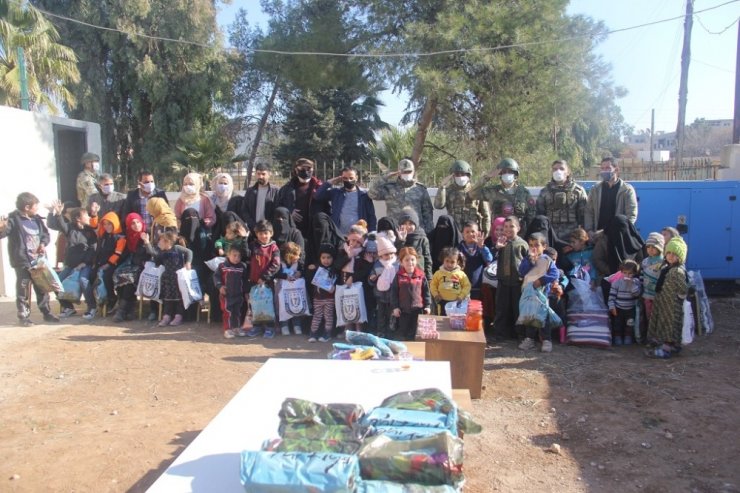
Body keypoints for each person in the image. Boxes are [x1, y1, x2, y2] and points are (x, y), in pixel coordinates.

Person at [0, 192, 59, 326]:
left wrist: (43, 244)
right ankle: (23, 316)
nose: (37, 209)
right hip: (23, 261)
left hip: (38, 261)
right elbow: (3, 233)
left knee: (42, 287)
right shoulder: (12, 220)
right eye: (35, 207)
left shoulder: (37, 219)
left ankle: (46, 312)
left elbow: (45, 234)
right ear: (27, 207)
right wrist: (1, 228)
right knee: (23, 288)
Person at [47, 201, 98, 320]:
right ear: (78, 219)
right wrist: (58, 214)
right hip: (70, 265)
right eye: (86, 216)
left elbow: (93, 249)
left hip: (86, 264)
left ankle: (91, 307)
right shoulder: (70, 228)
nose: (88, 217)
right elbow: (61, 225)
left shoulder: (90, 231)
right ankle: (68, 307)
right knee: (56, 283)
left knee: (83, 280)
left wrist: (84, 262)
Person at [276, 158, 327, 263]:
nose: (306, 171)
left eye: (309, 168)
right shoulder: (286, 188)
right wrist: (290, 213)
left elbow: (327, 208)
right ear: (296, 170)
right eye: (302, 168)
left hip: (313, 229)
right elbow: (279, 207)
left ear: (313, 170)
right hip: (293, 230)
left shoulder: (319, 187)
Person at [646, 237, 689, 359]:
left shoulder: (677, 271)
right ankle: (672, 345)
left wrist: (677, 297)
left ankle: (667, 349)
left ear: (680, 257)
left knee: (670, 326)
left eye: (674, 254)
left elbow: (683, 288)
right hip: (664, 303)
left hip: (672, 305)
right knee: (664, 324)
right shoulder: (666, 268)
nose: (670, 256)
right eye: (668, 253)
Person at [517, 232, 560, 352]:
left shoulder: (547, 260)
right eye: (531, 245)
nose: (533, 248)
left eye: (536, 245)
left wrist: (541, 281)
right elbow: (522, 271)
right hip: (529, 296)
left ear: (544, 246)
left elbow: (554, 274)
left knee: (543, 318)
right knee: (530, 318)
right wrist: (530, 261)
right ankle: (529, 339)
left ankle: (546, 340)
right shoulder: (528, 259)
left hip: (542, 296)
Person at [469, 158, 534, 236]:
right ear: (500, 174)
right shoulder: (493, 191)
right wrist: (487, 177)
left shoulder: (524, 193)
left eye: (510, 172)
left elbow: (531, 214)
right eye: (504, 172)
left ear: (515, 174)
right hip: (498, 235)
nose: (507, 174)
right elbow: (472, 193)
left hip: (519, 236)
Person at [368, 158, 433, 233]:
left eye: (409, 171)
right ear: (399, 172)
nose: (407, 174)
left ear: (413, 171)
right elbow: (372, 194)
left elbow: (427, 214)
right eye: (404, 171)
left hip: (415, 232)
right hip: (395, 231)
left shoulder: (420, 189)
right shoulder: (390, 187)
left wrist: (429, 234)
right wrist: (385, 177)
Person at [492, 216, 528, 340]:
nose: (508, 229)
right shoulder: (501, 242)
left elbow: (527, 260)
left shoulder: (522, 244)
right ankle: (500, 333)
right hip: (503, 281)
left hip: (518, 282)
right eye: (505, 227)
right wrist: (497, 247)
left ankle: (519, 333)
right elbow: (491, 257)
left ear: (518, 228)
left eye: (511, 226)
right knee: (502, 309)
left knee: (517, 308)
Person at [333, 221, 372, 335]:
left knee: (357, 306)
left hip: (357, 284)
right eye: (352, 240)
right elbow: (337, 266)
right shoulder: (342, 250)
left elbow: (364, 270)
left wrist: (354, 277)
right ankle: (347, 330)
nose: (354, 243)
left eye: (358, 241)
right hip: (343, 282)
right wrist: (348, 256)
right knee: (346, 307)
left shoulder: (363, 253)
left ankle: (359, 330)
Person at [147, 231, 193, 327]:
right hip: (167, 279)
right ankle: (166, 316)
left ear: (167, 242)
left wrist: (188, 262)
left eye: (161, 241)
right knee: (167, 299)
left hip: (178, 278)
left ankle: (178, 316)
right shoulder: (162, 252)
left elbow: (189, 252)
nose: (159, 243)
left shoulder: (176, 248)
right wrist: (147, 242)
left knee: (179, 298)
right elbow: (154, 254)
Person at [434, 160, 491, 237]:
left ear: (468, 175)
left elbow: (486, 214)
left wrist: (485, 233)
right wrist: (442, 187)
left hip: (473, 233)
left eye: (463, 174)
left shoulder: (476, 190)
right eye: (457, 174)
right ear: (453, 176)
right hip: (454, 232)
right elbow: (438, 206)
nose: (460, 177)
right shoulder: (448, 191)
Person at [245, 220, 281, 339]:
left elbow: (276, 265)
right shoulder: (253, 245)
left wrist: (264, 277)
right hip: (254, 281)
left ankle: (270, 327)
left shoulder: (274, 248)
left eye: (266, 233)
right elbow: (246, 256)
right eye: (260, 233)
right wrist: (245, 238)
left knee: (267, 304)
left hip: (267, 282)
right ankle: (256, 326)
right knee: (254, 304)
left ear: (271, 233)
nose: (263, 236)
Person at [112, 213, 151, 322]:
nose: (136, 225)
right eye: (133, 223)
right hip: (130, 264)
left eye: (138, 222)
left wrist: (146, 242)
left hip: (143, 265)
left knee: (129, 280)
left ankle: (122, 310)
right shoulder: (127, 236)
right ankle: (129, 308)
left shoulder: (147, 234)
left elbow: (151, 253)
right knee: (117, 274)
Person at [315, 166, 377, 234]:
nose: (348, 181)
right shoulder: (336, 193)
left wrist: (372, 233)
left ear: (356, 178)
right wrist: (329, 182)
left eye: (351, 178)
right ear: (341, 178)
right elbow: (318, 196)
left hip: (359, 236)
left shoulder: (364, 195)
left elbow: (371, 216)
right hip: (339, 235)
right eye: (345, 178)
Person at [584, 157, 638, 234]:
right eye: (602, 168)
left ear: (616, 170)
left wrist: (620, 231)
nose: (604, 171)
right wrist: (589, 230)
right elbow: (589, 211)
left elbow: (631, 215)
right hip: (597, 237)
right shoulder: (595, 189)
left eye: (608, 168)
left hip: (617, 236)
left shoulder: (626, 190)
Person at [536, 160, 588, 239]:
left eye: (562, 169)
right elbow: (540, 216)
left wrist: (582, 237)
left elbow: (584, 216)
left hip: (572, 236)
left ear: (568, 172)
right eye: (555, 169)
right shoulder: (544, 192)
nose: (558, 171)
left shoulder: (578, 191)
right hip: (550, 235)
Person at [390, 247, 432, 341]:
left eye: (412, 259)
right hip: (403, 311)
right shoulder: (398, 276)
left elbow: (426, 292)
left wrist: (428, 305)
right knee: (402, 332)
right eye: (407, 260)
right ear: (401, 262)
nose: (410, 262)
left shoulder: (421, 275)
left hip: (418, 310)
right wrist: (395, 307)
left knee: (415, 332)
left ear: (416, 260)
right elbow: (394, 293)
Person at [592, 214, 644, 283]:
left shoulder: (635, 241)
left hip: (631, 280)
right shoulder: (603, 240)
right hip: (608, 279)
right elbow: (598, 259)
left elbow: (640, 260)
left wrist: (631, 271)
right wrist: (612, 271)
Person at [213, 244, 249, 339]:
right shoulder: (223, 266)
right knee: (227, 312)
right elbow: (216, 277)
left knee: (237, 312)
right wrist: (220, 286)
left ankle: (236, 327)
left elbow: (245, 280)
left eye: (239, 256)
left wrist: (246, 292)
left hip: (238, 295)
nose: (236, 258)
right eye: (234, 255)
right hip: (226, 295)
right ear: (228, 255)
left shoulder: (242, 267)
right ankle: (227, 329)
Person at [93, 211, 126, 314]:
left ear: (114, 223)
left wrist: (108, 264)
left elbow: (118, 254)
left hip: (114, 264)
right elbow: (93, 226)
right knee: (90, 276)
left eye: (109, 224)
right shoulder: (103, 236)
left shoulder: (120, 237)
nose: (107, 226)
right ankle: (97, 303)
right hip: (101, 264)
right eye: (105, 224)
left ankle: (112, 299)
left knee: (107, 277)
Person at [367, 236, 399, 338]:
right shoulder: (377, 265)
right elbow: (372, 277)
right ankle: (381, 331)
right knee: (381, 314)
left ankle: (391, 331)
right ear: (381, 255)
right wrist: (371, 279)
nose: (389, 256)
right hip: (380, 295)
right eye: (386, 254)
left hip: (393, 295)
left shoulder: (396, 264)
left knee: (391, 314)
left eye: (391, 253)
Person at [306, 243, 337, 343]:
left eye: (329, 257)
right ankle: (313, 333)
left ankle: (327, 333)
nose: (326, 260)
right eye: (323, 257)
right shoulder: (316, 269)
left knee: (328, 316)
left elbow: (336, 281)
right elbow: (310, 278)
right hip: (317, 298)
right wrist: (312, 268)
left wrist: (334, 287)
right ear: (320, 258)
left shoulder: (334, 270)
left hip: (329, 298)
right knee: (317, 315)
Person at [122, 169, 169, 234]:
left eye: (152, 181)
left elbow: (168, 213)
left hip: (156, 233)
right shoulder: (132, 195)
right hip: (139, 233)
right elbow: (126, 215)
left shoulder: (160, 194)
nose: (150, 184)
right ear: (139, 183)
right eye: (146, 182)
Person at [608, 259, 642, 346]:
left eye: (630, 273)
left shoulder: (636, 282)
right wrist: (612, 307)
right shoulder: (616, 283)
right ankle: (617, 338)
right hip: (618, 308)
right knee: (617, 324)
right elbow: (612, 297)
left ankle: (628, 338)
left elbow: (636, 294)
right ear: (621, 272)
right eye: (625, 273)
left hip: (630, 309)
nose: (627, 275)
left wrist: (631, 285)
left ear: (634, 274)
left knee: (629, 325)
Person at [481, 217, 505, 340]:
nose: (499, 232)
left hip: (502, 277)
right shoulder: (489, 241)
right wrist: (495, 248)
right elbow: (487, 257)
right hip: (488, 278)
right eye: (496, 229)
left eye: (502, 229)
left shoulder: (508, 241)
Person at [274, 241, 305, 336]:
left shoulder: (298, 264)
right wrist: (285, 276)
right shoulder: (280, 264)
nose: (298, 257)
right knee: (283, 306)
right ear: (289, 255)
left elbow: (302, 271)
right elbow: (276, 273)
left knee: (296, 305)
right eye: (296, 255)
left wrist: (299, 273)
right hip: (282, 289)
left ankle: (296, 325)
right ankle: (284, 325)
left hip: (295, 290)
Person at [238, 163, 279, 232]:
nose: (260, 176)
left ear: (269, 174)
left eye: (263, 174)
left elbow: (277, 210)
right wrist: (252, 225)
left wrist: (269, 225)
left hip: (269, 230)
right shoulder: (250, 191)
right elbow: (245, 210)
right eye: (258, 174)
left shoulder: (276, 191)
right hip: (253, 229)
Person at [458, 220, 493, 301]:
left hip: (477, 285)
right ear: (462, 234)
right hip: (462, 286)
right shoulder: (459, 248)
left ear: (478, 233)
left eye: (473, 231)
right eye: (467, 232)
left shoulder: (480, 247)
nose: (470, 234)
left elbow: (489, 259)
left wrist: (482, 247)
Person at [430, 247, 471, 315]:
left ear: (457, 262)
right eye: (447, 261)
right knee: (442, 319)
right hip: (442, 301)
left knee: (455, 320)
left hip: (456, 303)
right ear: (443, 260)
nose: (449, 264)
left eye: (452, 262)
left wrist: (461, 296)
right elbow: (433, 285)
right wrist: (436, 295)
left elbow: (467, 286)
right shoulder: (438, 273)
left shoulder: (461, 274)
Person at [398, 207, 433, 281]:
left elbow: (428, 260)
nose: (408, 227)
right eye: (404, 224)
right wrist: (401, 240)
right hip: (403, 278)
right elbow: (397, 256)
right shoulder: (398, 238)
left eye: (410, 224)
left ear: (416, 224)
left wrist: (429, 278)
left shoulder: (422, 239)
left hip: (419, 278)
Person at [641, 232, 665, 322]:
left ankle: (657, 333)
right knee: (648, 315)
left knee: (658, 316)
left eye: (653, 247)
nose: (650, 249)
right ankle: (650, 333)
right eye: (648, 247)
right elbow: (642, 275)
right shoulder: (645, 261)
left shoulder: (663, 262)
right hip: (647, 294)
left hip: (658, 295)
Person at [209, 172, 239, 236]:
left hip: (232, 233)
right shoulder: (212, 199)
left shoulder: (237, 199)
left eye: (225, 183)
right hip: (216, 231)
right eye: (220, 183)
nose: (222, 185)